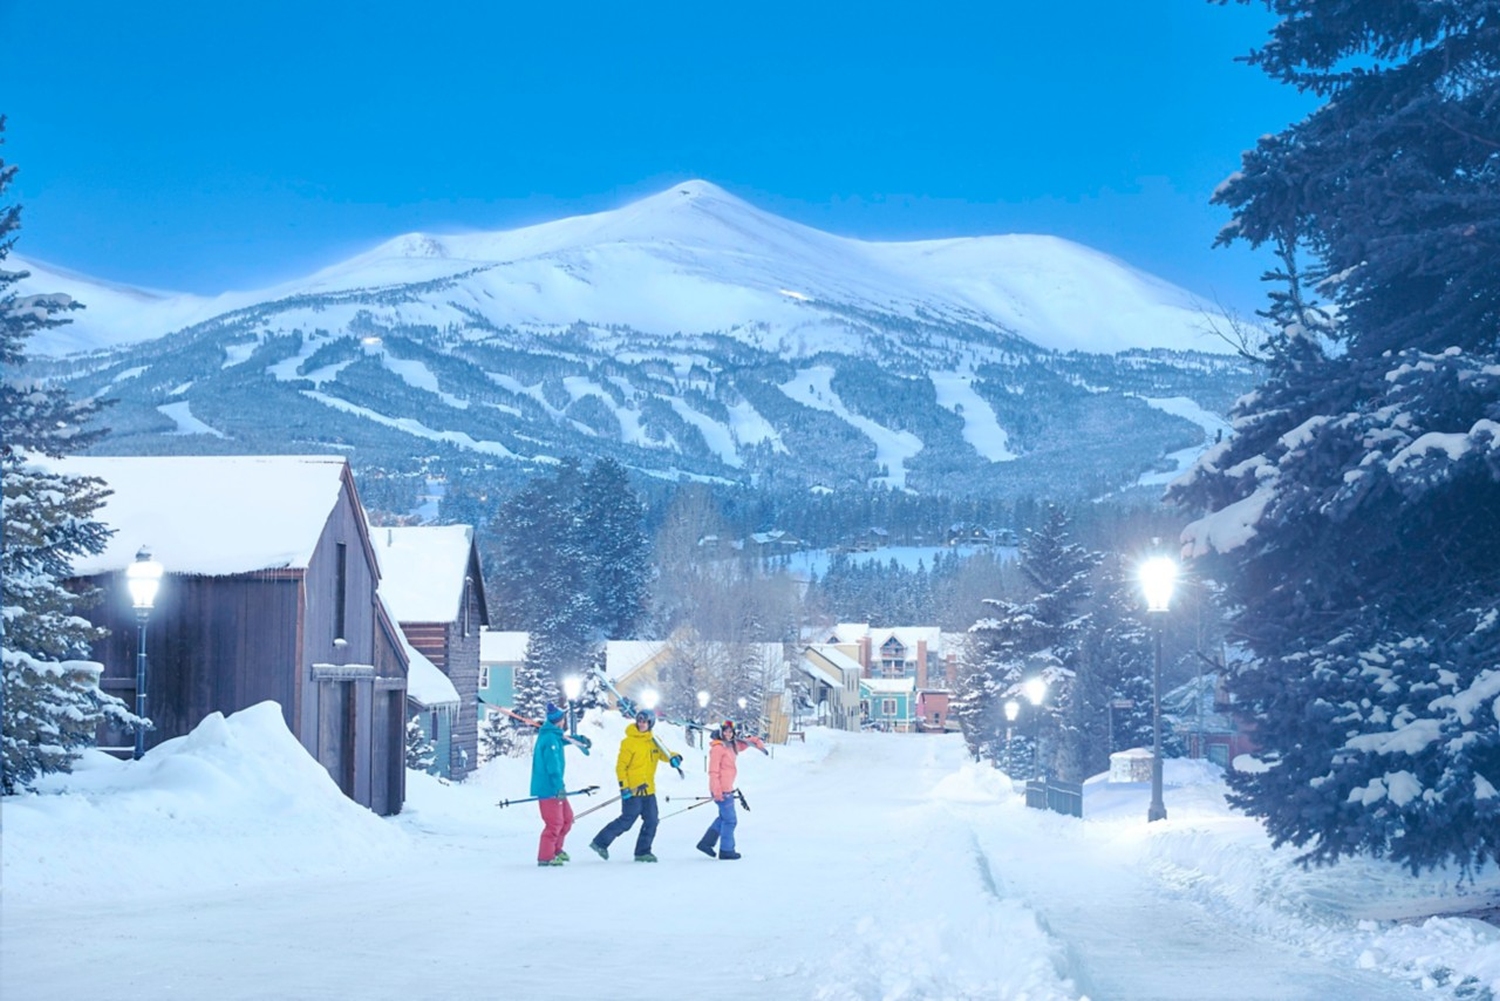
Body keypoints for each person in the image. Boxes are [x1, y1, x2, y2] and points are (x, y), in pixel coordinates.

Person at [588, 707, 682, 863]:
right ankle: (600, 842)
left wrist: (674, 757)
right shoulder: (629, 742)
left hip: (648, 789)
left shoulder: (654, 741)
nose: (641, 724)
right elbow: (621, 766)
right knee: (627, 820)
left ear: (650, 723)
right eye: (639, 721)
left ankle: (642, 852)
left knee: (652, 820)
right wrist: (624, 787)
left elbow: (665, 753)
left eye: (645, 721)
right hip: (633, 790)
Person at [695, 719, 764, 860]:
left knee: (724, 818)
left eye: (730, 731)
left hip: (727, 788)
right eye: (725, 731)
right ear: (721, 732)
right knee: (730, 820)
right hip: (721, 789)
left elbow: (744, 744)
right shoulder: (718, 748)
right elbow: (713, 771)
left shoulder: (731, 746)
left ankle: (706, 843)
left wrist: (756, 741)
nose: (728, 734)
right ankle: (727, 850)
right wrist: (717, 790)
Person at [531, 702, 574, 867]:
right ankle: (545, 856)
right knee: (554, 823)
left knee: (567, 819)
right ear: (560, 720)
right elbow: (552, 767)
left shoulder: (553, 735)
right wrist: (558, 787)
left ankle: (556, 849)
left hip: (556, 788)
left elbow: (563, 740)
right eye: (563, 719)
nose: (564, 722)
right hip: (549, 789)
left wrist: (579, 740)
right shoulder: (550, 739)